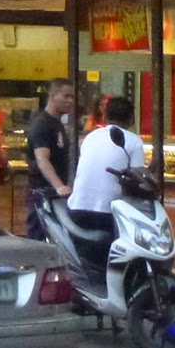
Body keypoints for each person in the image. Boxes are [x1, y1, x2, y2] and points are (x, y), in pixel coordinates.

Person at [68, 96, 143, 266]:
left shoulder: (90, 137)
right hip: (108, 212)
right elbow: (138, 176)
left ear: (105, 117)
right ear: (131, 118)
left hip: (77, 208)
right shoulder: (133, 140)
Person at [25, 79, 74, 240]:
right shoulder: (42, 124)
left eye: (72, 97)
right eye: (66, 96)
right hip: (42, 194)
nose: (70, 101)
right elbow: (42, 159)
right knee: (40, 240)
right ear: (53, 95)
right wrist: (59, 186)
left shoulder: (57, 124)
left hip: (53, 195)